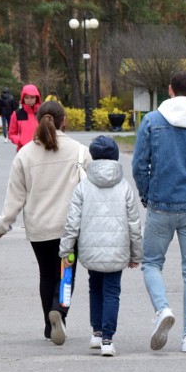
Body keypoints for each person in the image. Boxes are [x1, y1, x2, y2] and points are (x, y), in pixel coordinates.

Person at [132, 71, 186, 353]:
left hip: (160, 204)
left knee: (151, 264)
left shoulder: (152, 121)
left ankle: (162, 309)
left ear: (169, 90)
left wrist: (147, 195)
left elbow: (138, 165)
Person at [0, 101, 91, 345]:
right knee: (66, 273)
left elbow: (16, 196)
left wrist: (3, 225)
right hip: (70, 227)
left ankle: (50, 327)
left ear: (38, 121)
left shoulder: (24, 155)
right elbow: (91, 190)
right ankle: (60, 309)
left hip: (39, 228)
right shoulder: (80, 151)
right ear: (64, 120)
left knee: (46, 274)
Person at [59, 136, 142, 357]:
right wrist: (136, 253)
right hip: (117, 250)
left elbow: (72, 222)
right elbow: (134, 223)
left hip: (90, 250)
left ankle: (96, 332)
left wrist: (66, 249)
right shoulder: (124, 187)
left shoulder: (83, 186)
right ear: (115, 157)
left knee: (95, 288)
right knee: (112, 292)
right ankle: (107, 338)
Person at [8, 84, 42, 150]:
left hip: (40, 149)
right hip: (23, 149)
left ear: (36, 98)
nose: (29, 100)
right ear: (23, 99)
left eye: (32, 97)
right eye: (26, 97)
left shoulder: (42, 113)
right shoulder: (17, 114)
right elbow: (11, 133)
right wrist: (20, 141)